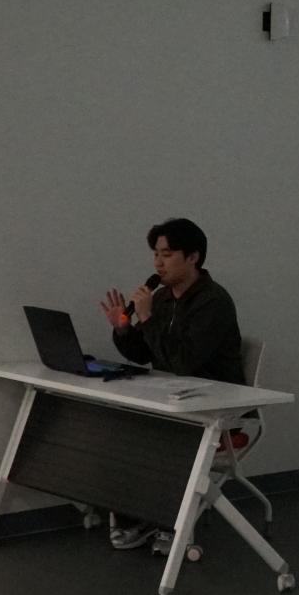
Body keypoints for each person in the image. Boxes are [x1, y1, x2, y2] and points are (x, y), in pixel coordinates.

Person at [96, 217, 244, 553]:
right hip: (174, 399)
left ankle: (162, 521)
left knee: (151, 438)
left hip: (215, 405)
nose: (158, 263)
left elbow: (183, 362)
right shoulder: (162, 298)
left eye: (167, 255)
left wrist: (147, 318)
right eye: (155, 255)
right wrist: (123, 328)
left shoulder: (213, 301)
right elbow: (143, 353)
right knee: (119, 426)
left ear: (193, 257)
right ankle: (141, 518)